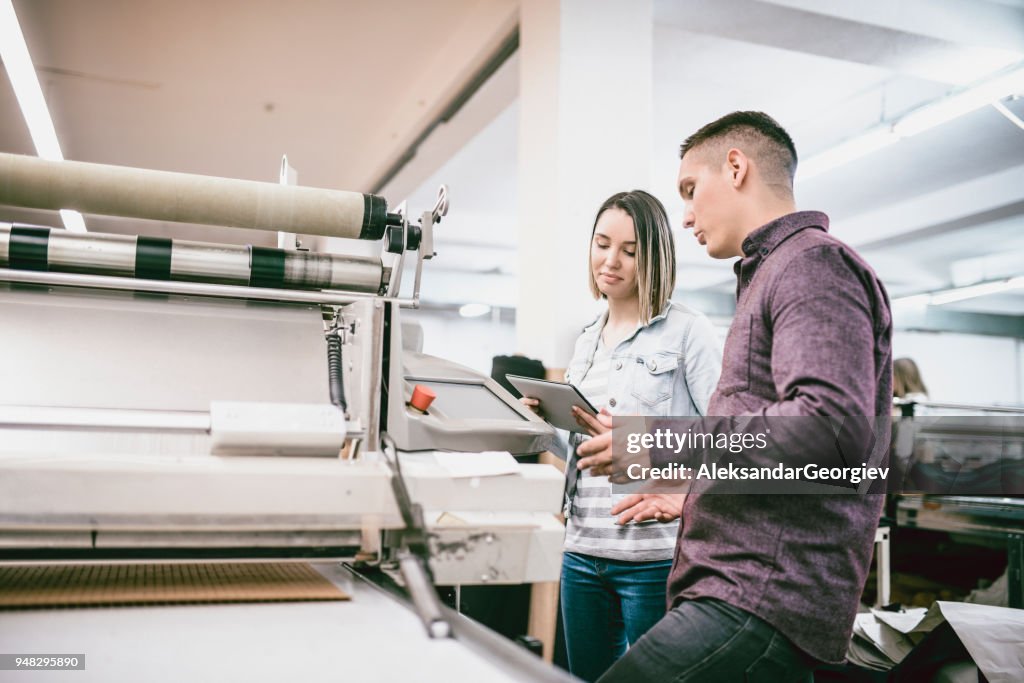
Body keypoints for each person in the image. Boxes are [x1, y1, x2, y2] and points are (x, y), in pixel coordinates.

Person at [576, 112, 894, 681]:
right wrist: (696, 491)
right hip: (739, 590)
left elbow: (828, 430)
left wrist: (660, 445)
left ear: (736, 166)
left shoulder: (812, 264)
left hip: (760, 596)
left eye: (691, 191)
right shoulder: (774, 273)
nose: (688, 215)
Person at [521, 189, 722, 682]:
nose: (610, 261)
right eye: (601, 244)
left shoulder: (688, 332)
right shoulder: (587, 338)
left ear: (654, 257)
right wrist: (538, 426)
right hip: (582, 550)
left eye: (629, 251)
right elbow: (586, 447)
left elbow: (726, 438)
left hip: (653, 557)